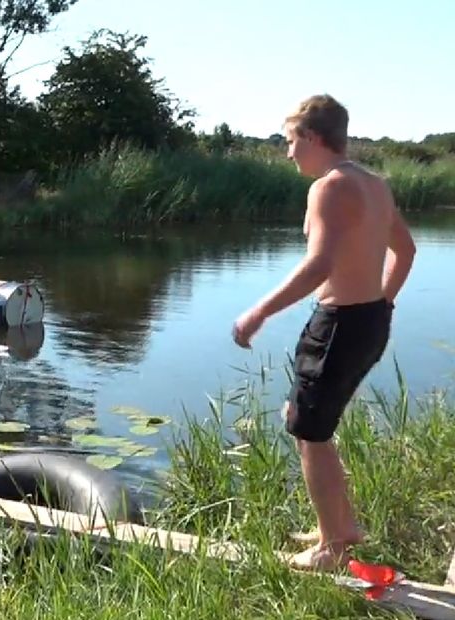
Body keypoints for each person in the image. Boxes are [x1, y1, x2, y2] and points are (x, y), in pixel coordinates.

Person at [232, 94, 416, 572]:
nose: (288, 152)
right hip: (367, 321)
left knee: (311, 431)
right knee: (305, 418)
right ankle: (340, 525)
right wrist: (383, 302)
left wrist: (259, 312)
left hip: (338, 325)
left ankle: (332, 549)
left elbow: (319, 266)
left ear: (313, 138)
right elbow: (407, 251)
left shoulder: (329, 188)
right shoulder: (374, 184)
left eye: (291, 141)